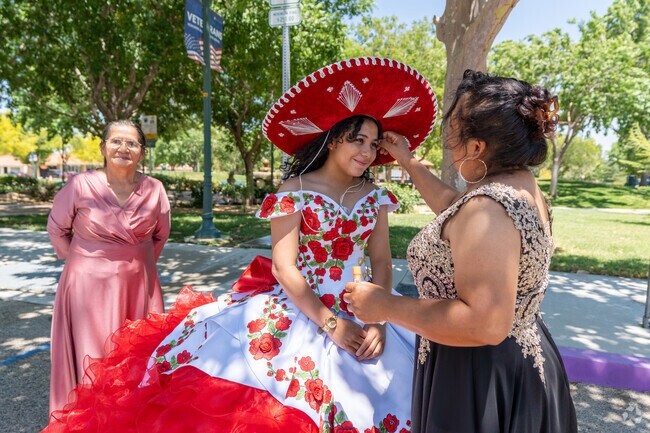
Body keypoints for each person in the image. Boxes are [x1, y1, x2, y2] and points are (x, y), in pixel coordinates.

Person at [42, 57, 438, 432]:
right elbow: (285, 268)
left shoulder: (375, 195)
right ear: (333, 139)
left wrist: (379, 319)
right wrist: (332, 325)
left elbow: (383, 261)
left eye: (373, 145)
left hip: (368, 310)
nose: (368, 153)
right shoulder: (294, 190)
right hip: (303, 310)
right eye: (358, 140)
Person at [343, 70, 578, 433]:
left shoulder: (488, 208)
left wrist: (384, 306)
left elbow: (484, 322)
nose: (450, 152)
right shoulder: (518, 186)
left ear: (477, 147)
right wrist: (408, 161)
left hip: (477, 375)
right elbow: (455, 209)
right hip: (510, 360)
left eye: (452, 138)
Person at [46, 119, 171, 413]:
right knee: (93, 355)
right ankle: (89, 418)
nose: (123, 148)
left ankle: (127, 419)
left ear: (142, 153)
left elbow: (160, 235)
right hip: (87, 288)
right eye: (116, 141)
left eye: (132, 143)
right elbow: (56, 229)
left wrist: (139, 265)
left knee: (136, 355)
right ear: (103, 148)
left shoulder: (155, 189)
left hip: (138, 287)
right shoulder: (80, 185)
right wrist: (85, 262)